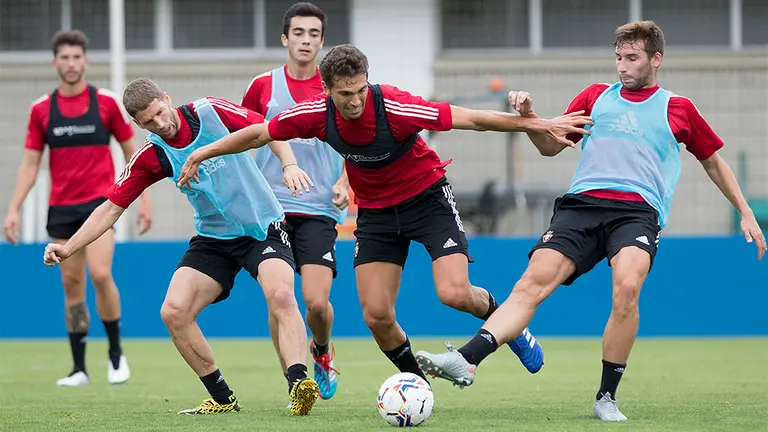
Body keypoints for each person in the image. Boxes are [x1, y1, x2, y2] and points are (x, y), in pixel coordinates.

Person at [414, 21, 767, 422]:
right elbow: (550, 146)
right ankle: (466, 359)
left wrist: (745, 210)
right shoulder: (596, 96)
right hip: (581, 207)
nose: (622, 66)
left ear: (656, 59)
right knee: (531, 283)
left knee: (628, 286)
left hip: (637, 211)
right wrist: (532, 118)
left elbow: (713, 162)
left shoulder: (678, 108)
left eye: (632, 58)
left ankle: (606, 398)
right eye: (618, 57)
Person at [176, 44, 593, 381]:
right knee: (376, 316)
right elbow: (259, 132)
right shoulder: (315, 116)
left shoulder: (394, 106)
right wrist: (204, 151)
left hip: (426, 198)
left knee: (454, 294)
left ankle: (511, 327)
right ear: (326, 91)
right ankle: (418, 386)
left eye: (360, 90)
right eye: (345, 94)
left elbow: (473, 119)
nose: (355, 100)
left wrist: (536, 125)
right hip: (376, 213)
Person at [42, 77, 321, 416]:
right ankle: (222, 398)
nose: (160, 124)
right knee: (173, 312)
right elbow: (111, 207)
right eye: (148, 122)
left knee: (279, 294)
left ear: (167, 98)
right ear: (137, 123)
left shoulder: (212, 112)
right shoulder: (152, 154)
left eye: (160, 112)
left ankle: (298, 383)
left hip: (262, 227)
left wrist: (289, 165)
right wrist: (68, 247)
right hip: (214, 240)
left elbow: (267, 130)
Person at [4, 29, 152, 387]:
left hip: (101, 205)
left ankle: (116, 355)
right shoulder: (41, 109)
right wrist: (13, 209)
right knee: (73, 290)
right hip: (61, 210)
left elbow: (135, 153)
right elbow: (30, 164)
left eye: (77, 57)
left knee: (101, 275)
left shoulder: (106, 103)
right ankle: (79, 369)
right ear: (55, 62)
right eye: (64, 58)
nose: (71, 64)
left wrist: (143, 199)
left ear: (85, 61)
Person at [241, 2, 347, 400]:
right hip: (271, 210)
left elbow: (362, 137)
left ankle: (321, 351)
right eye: (299, 33)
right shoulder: (263, 86)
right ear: (285, 38)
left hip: (320, 208)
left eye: (314, 34)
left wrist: (346, 180)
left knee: (317, 304)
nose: (306, 40)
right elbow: (242, 137)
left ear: (322, 41)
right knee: (279, 296)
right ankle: (294, 379)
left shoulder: (336, 86)